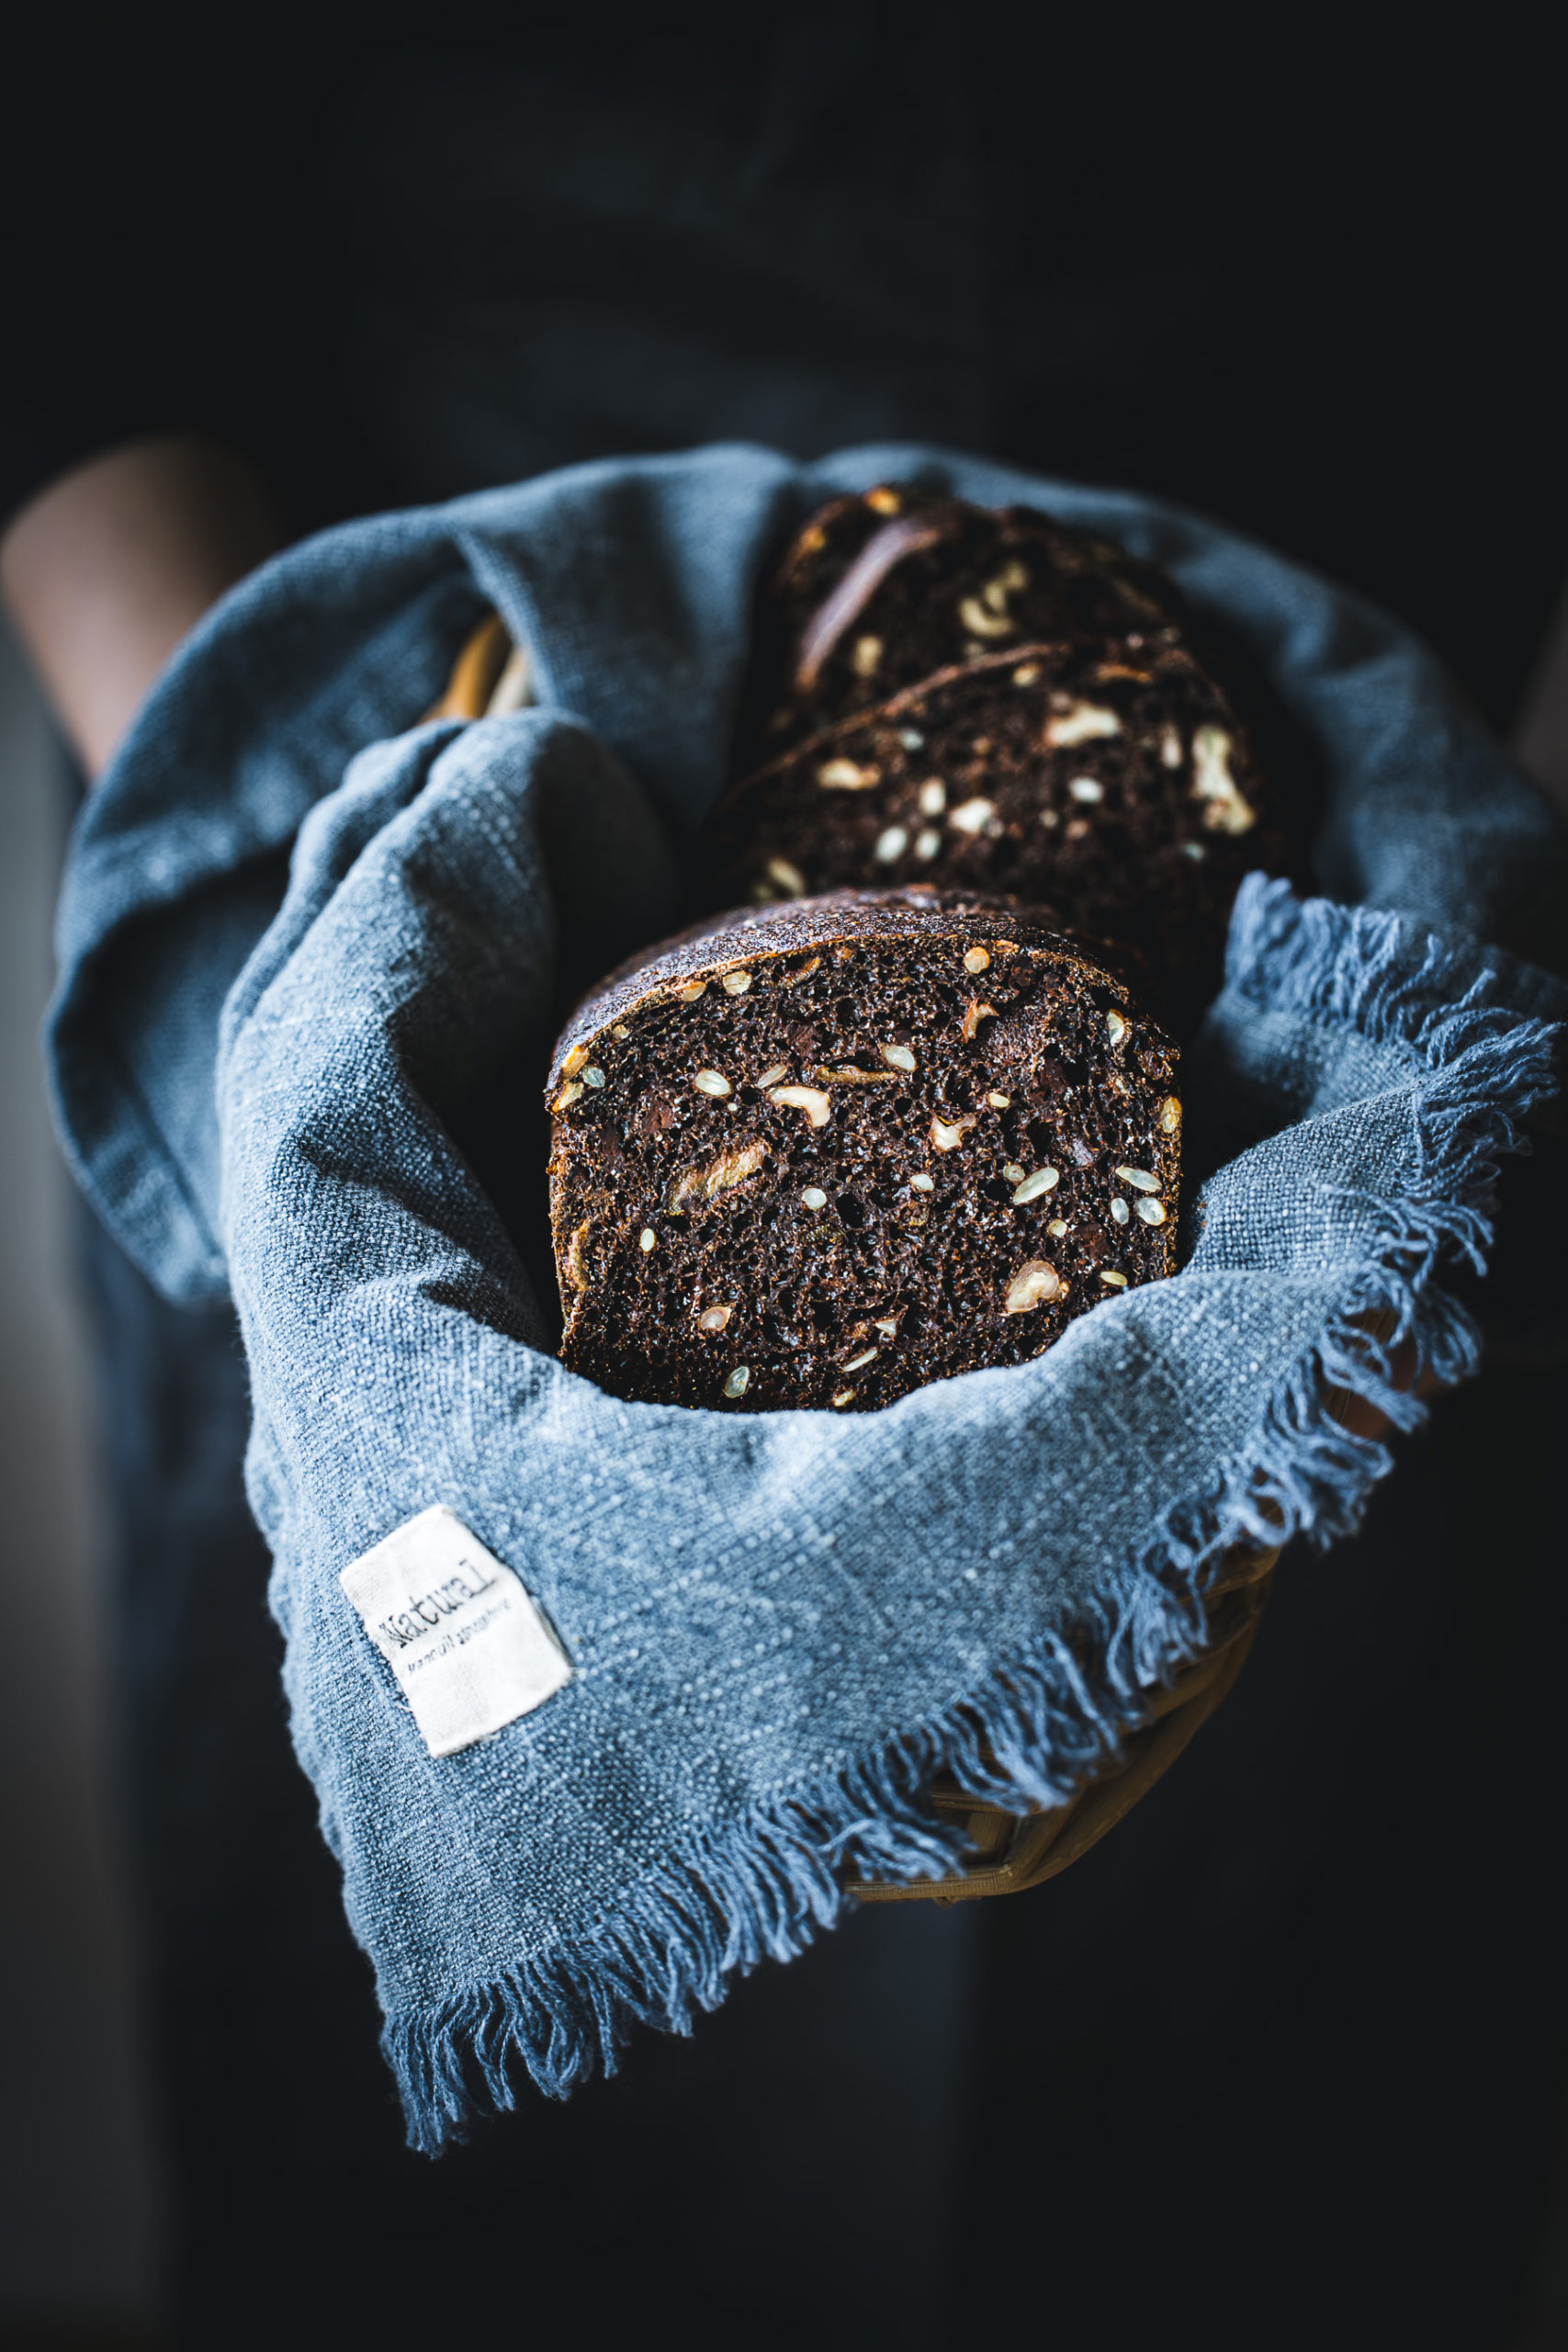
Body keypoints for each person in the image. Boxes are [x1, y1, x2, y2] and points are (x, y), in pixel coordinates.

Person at [5, 18, 1566, 2346]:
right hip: (393, 634)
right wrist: (321, 876)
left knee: (1232, 2173)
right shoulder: (400, 1027)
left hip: (1360, 871)